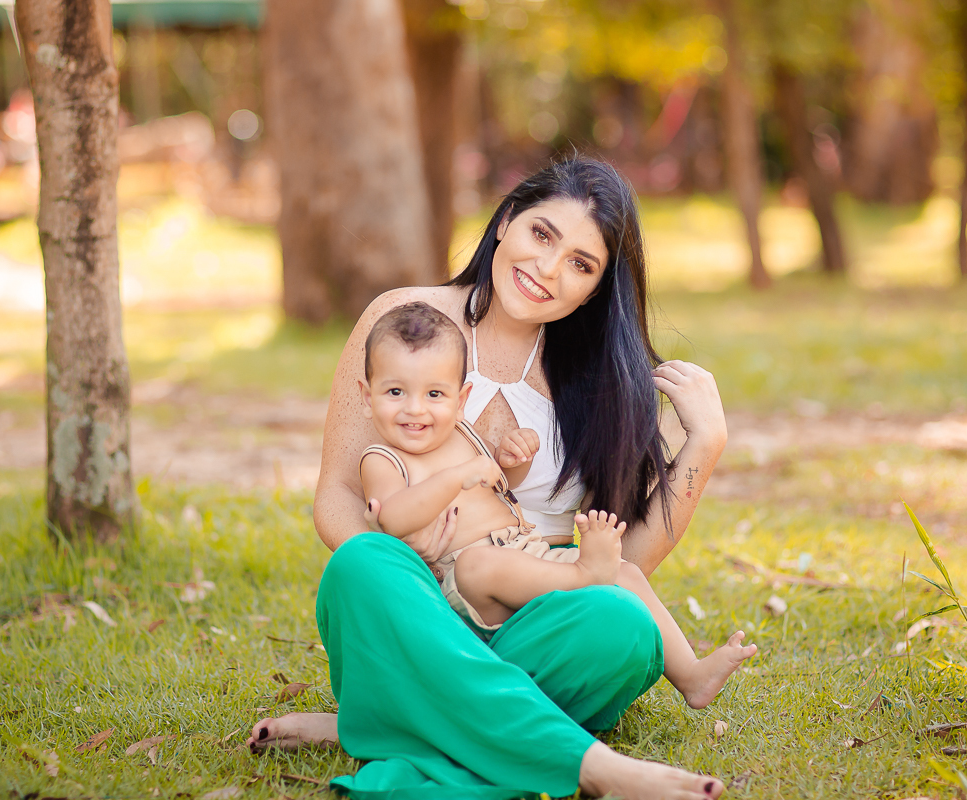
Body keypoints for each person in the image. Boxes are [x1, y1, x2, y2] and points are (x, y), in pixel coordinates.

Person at [249, 157, 732, 800]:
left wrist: (705, 445)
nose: (548, 269)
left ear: (596, 288)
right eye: (541, 233)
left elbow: (621, 563)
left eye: (581, 264)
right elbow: (338, 493)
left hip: (533, 612)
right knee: (362, 563)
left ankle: (387, 720)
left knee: (624, 625)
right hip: (415, 605)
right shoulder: (404, 321)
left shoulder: (601, 380)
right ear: (505, 221)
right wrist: (417, 576)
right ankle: (591, 767)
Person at [356, 300, 757, 699]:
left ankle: (692, 676)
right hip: (461, 587)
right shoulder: (382, 459)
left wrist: (512, 461)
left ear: (460, 401)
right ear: (367, 396)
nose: (415, 409)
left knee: (626, 574)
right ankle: (583, 576)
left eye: (433, 394)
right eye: (395, 391)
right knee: (478, 564)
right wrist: (455, 478)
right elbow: (393, 517)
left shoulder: (461, 435)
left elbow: (498, 487)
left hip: (527, 554)